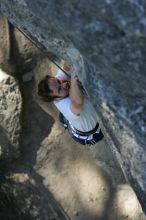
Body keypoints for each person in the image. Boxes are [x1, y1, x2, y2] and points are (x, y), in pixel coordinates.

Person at [37, 63, 104, 145]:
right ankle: (67, 119)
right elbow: (78, 103)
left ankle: (66, 119)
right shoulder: (64, 104)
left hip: (72, 118)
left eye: (58, 81)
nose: (64, 84)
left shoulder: (56, 84)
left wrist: (69, 65)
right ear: (56, 99)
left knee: (69, 115)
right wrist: (73, 81)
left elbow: (65, 67)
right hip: (90, 134)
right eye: (60, 89)